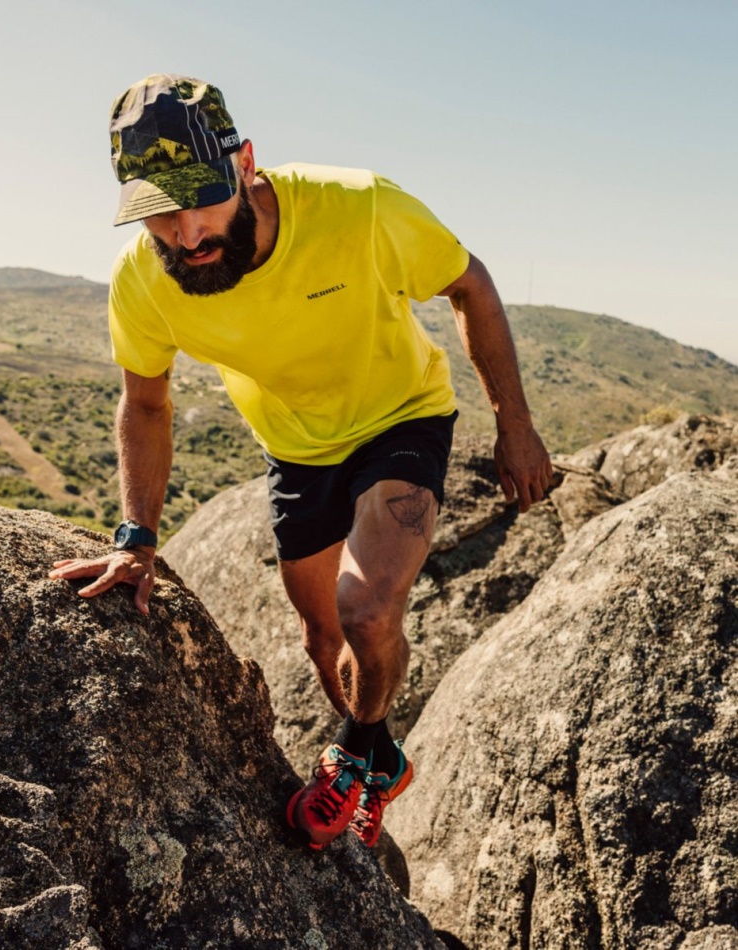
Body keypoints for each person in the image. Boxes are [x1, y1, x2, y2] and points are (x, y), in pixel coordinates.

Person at [50, 74, 552, 851]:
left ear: (246, 163)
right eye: (159, 216)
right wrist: (135, 537)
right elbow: (145, 404)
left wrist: (514, 425)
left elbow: (469, 282)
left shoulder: (359, 208)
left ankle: (351, 753)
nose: (185, 235)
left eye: (200, 201)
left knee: (368, 609)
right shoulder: (145, 281)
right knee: (325, 642)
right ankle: (378, 755)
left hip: (400, 418)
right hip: (296, 448)